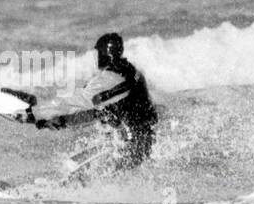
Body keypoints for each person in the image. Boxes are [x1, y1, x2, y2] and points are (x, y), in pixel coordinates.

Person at [10, 32, 158, 170]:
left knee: (92, 173)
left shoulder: (110, 78)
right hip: (142, 143)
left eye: (97, 53)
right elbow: (95, 113)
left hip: (132, 148)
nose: (96, 57)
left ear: (104, 54)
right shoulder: (130, 72)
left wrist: (33, 113)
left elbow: (73, 102)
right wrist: (59, 121)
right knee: (71, 164)